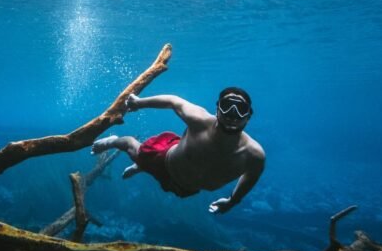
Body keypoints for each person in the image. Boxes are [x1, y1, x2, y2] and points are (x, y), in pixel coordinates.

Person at [91, 87, 265, 214]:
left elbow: (250, 178)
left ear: (248, 116)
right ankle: (114, 142)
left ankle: (141, 166)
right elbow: (174, 101)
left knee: (164, 180)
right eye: (227, 106)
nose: (232, 115)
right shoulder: (200, 121)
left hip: (185, 188)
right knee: (131, 147)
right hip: (163, 159)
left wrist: (232, 201)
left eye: (240, 109)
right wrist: (138, 103)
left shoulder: (254, 155)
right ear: (218, 109)